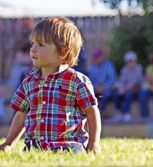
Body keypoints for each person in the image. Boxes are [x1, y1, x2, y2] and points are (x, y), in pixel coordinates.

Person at [0, 17, 101, 154]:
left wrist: (93, 143)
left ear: (62, 52)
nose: (33, 49)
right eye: (33, 43)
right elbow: (21, 115)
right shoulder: (29, 81)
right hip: (35, 147)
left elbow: (91, 111)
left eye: (41, 45)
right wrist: (9, 143)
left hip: (69, 147)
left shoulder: (76, 81)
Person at [113, 51, 143, 122]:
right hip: (125, 89)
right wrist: (121, 89)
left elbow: (136, 82)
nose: (130, 63)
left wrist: (126, 89)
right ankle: (120, 113)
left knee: (128, 95)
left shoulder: (138, 68)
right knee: (116, 94)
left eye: (131, 61)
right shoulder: (124, 69)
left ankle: (127, 113)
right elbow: (121, 81)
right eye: (129, 61)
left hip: (135, 90)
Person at [88, 49, 117, 113]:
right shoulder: (92, 67)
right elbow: (90, 80)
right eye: (95, 58)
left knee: (105, 95)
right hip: (96, 90)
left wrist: (104, 87)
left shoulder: (109, 65)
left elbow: (112, 79)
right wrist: (96, 88)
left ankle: (101, 113)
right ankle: (92, 114)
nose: (96, 59)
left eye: (97, 57)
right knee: (89, 96)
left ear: (102, 57)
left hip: (107, 89)